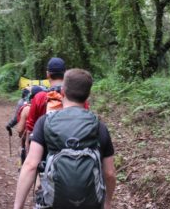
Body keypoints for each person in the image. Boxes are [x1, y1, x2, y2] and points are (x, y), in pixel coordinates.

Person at [14, 69, 116, 209]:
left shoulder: (45, 122)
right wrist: (107, 203)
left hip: (52, 202)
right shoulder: (99, 126)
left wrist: (17, 206)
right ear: (88, 96)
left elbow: (30, 165)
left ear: (62, 92)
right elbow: (109, 173)